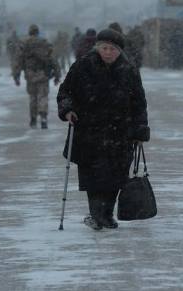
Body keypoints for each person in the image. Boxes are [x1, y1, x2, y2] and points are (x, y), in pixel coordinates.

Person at [57, 28, 150, 230]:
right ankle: (97, 213)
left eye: (113, 49)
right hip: (90, 132)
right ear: (97, 48)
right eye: (104, 48)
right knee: (94, 175)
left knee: (116, 176)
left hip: (120, 132)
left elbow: (139, 103)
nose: (108, 53)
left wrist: (140, 131)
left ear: (120, 51)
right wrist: (67, 110)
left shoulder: (129, 70)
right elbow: (65, 92)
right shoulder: (82, 66)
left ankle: (106, 213)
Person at [12, 24, 61, 129]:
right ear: (38, 32)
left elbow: (18, 60)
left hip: (30, 74)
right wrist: (57, 74)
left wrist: (16, 75)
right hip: (43, 73)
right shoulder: (44, 43)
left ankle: (33, 119)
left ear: (29, 32)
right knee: (43, 96)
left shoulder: (24, 43)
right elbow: (53, 59)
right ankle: (43, 117)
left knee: (33, 97)